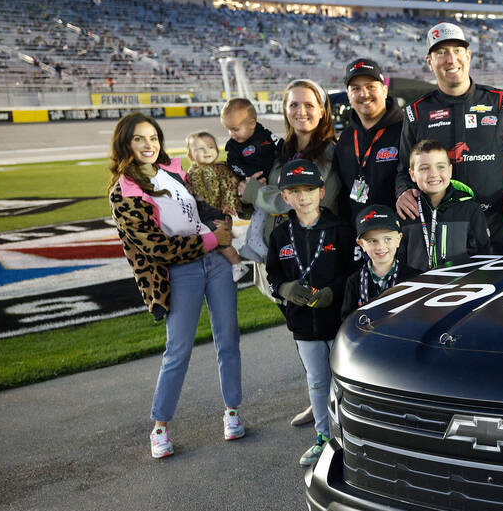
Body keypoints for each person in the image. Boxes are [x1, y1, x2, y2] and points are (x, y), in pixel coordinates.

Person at [107, 112, 243, 459]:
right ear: (126, 143)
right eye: (139, 139)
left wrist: (220, 223)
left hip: (214, 265)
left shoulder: (171, 171)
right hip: (179, 272)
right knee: (177, 350)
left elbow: (197, 209)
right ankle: (160, 427)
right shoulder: (124, 191)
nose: (148, 145)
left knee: (227, 340)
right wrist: (215, 240)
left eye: (152, 138)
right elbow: (156, 247)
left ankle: (232, 412)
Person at [394, 22, 503, 252]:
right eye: (441, 52)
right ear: (430, 62)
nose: (450, 59)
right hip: (441, 245)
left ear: (468, 55)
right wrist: (403, 191)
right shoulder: (415, 112)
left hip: (498, 241)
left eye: (457, 51)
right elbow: (403, 172)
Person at [244, 79, 345, 428]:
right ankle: (316, 396)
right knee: (302, 330)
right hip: (284, 255)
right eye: (293, 105)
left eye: (309, 104)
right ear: (285, 110)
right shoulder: (282, 151)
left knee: (328, 331)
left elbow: (318, 199)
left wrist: (256, 192)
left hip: (318, 251)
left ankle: (338, 407)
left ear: (322, 110)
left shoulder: (331, 151)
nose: (301, 112)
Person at [265, 159, 357, 466]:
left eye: (309, 190)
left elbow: (354, 272)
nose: (303, 197)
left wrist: (333, 292)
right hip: (303, 324)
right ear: (285, 197)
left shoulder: (340, 229)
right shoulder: (280, 235)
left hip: (337, 321)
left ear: (321, 192)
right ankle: (322, 437)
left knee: (344, 381)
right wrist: (286, 289)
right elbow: (273, 275)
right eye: (295, 192)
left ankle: (352, 437)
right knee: (317, 381)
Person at [401, 139, 491, 277]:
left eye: (440, 166)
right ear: (412, 174)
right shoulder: (406, 211)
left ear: (450, 170)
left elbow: (482, 256)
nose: (433, 174)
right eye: (424, 168)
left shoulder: (470, 210)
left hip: (461, 289)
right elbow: (399, 263)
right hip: (418, 291)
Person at [332, 57, 405, 225]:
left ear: (384, 90)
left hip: (397, 237)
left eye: (370, 87)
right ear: (348, 96)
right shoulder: (346, 138)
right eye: (356, 88)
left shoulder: (407, 130)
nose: (364, 94)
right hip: (358, 236)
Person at [184, 130, 245, 279]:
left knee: (221, 240)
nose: (207, 152)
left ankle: (237, 264)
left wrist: (230, 205)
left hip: (215, 210)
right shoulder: (191, 172)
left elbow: (230, 188)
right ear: (191, 156)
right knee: (203, 237)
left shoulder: (222, 170)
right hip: (200, 211)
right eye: (200, 149)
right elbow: (187, 192)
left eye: (211, 147)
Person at [341, 205, 403, 319]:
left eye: (388, 239)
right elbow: (347, 321)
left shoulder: (412, 277)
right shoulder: (354, 281)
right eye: (372, 241)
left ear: (398, 239)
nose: (380, 247)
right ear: (361, 244)